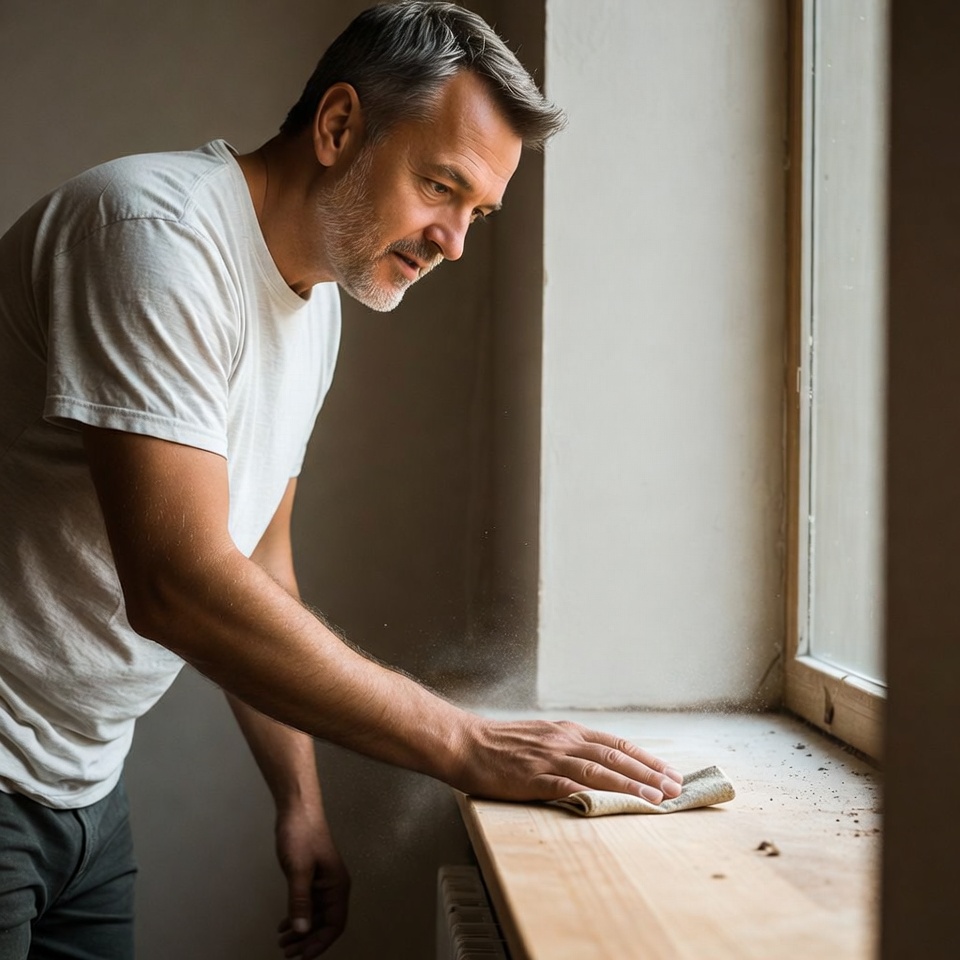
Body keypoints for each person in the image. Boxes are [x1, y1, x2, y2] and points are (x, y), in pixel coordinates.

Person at [0, 2, 683, 957]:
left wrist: (301, 801)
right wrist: (466, 744)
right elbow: (176, 583)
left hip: (84, 785)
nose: (454, 240)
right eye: (440, 187)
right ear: (337, 127)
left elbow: (255, 561)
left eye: (477, 213)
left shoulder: (315, 298)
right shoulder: (151, 235)